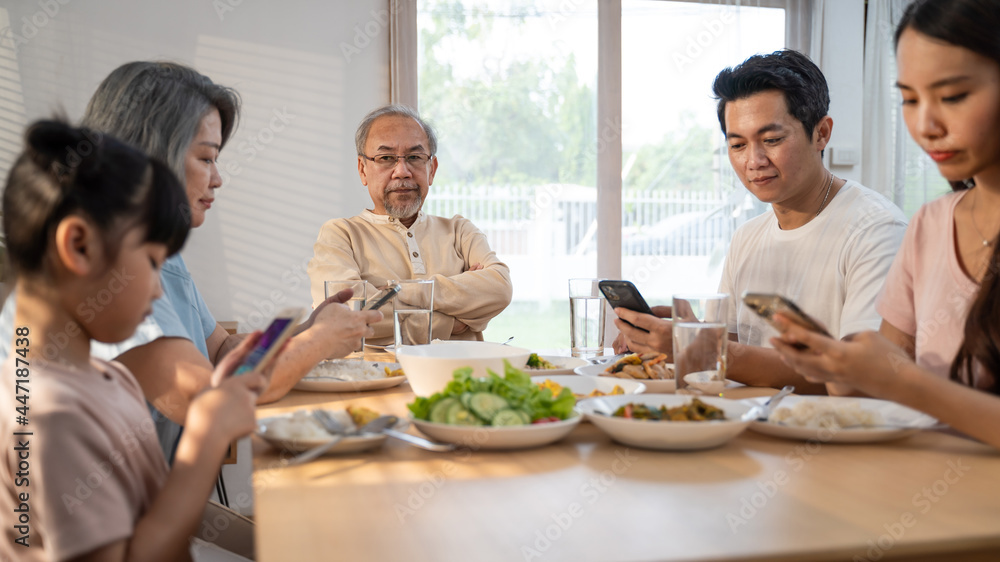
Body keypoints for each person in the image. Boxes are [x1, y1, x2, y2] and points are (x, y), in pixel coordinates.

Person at [0, 61, 382, 462]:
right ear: (153, 155)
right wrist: (316, 342)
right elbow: (203, 399)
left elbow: (221, 350)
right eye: (206, 159)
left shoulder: (163, 258)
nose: (217, 178)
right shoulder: (110, 275)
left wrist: (305, 330)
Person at [0, 120, 262, 561]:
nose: (161, 291)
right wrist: (204, 440)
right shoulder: (50, 417)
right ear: (79, 246)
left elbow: (155, 509)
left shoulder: (106, 378)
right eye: (153, 262)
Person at [772, 0, 1000, 448]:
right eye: (910, 99)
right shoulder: (931, 225)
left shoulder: (876, 223)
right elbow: (871, 391)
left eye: (953, 96)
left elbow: (902, 383)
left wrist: (903, 381)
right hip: (926, 495)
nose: (925, 124)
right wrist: (839, 364)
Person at [613, 50, 908, 393]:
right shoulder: (747, 238)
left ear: (821, 133)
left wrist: (701, 347)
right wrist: (685, 337)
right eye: (737, 144)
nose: (754, 161)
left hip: (829, 436)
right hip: (750, 429)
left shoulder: (875, 230)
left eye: (771, 140)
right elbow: (727, 358)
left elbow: (862, 375)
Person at [307, 105, 513, 346]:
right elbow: (347, 316)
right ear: (363, 169)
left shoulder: (459, 230)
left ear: (431, 169)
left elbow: (500, 289)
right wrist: (450, 322)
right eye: (386, 158)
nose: (402, 171)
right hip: (378, 380)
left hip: (459, 378)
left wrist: (398, 291)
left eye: (414, 157)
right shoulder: (340, 235)